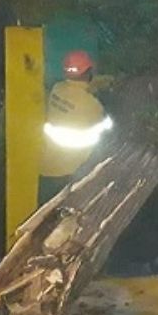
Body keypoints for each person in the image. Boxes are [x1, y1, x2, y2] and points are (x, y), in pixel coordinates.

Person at [38, 50, 112, 205]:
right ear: (88, 72)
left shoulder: (57, 89)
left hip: (47, 168)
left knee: (42, 222)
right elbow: (108, 126)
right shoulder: (92, 105)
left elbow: (76, 89)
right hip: (71, 173)